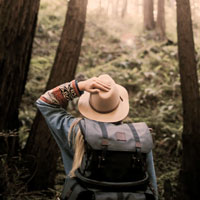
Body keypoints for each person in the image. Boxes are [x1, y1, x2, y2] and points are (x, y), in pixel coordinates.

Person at [36, 74, 158, 199]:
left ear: (89, 104)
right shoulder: (138, 136)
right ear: (119, 104)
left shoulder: (76, 131)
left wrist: (80, 86)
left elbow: (45, 102)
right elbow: (151, 183)